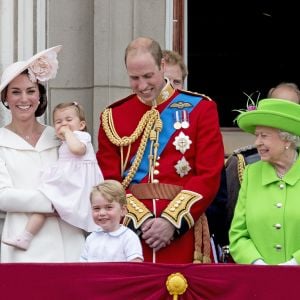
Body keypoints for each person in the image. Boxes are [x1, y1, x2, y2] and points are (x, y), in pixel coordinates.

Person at [97, 36, 224, 263]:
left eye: (148, 76)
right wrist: (142, 221)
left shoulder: (200, 109)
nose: (142, 85)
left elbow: (208, 175)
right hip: (133, 235)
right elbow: (110, 180)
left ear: (162, 66)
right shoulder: (113, 116)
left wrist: (171, 221)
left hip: (184, 230)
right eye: (134, 78)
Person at [0, 46, 86, 262]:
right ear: (6, 99)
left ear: (40, 97)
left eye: (31, 91)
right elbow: (3, 196)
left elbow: (81, 175)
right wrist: (54, 203)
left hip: (68, 239)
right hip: (22, 243)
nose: (24, 99)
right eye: (16, 92)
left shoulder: (59, 136)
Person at [2, 101, 104, 250]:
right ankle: (25, 236)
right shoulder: (62, 140)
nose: (63, 125)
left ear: (81, 125)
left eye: (69, 120)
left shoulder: (81, 136)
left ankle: (25, 236)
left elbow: (78, 150)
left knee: (49, 204)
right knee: (44, 207)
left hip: (76, 184)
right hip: (66, 182)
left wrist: (68, 133)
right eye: (58, 122)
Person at [163, 49, 228, 261]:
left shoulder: (200, 117)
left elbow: (215, 186)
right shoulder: (136, 122)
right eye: (165, 80)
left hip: (193, 226)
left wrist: (178, 221)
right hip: (146, 228)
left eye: (177, 81)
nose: (171, 87)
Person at [229, 98, 300, 265]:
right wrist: (257, 263)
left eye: (264, 136)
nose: (257, 143)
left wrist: (294, 263)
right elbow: (238, 234)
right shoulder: (251, 174)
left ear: (287, 139)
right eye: (256, 135)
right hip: (259, 281)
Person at [80, 179, 143, 262]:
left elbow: (135, 266)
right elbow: (83, 267)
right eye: (96, 208)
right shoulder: (91, 238)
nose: (102, 213)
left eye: (109, 207)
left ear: (123, 210)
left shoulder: (128, 237)